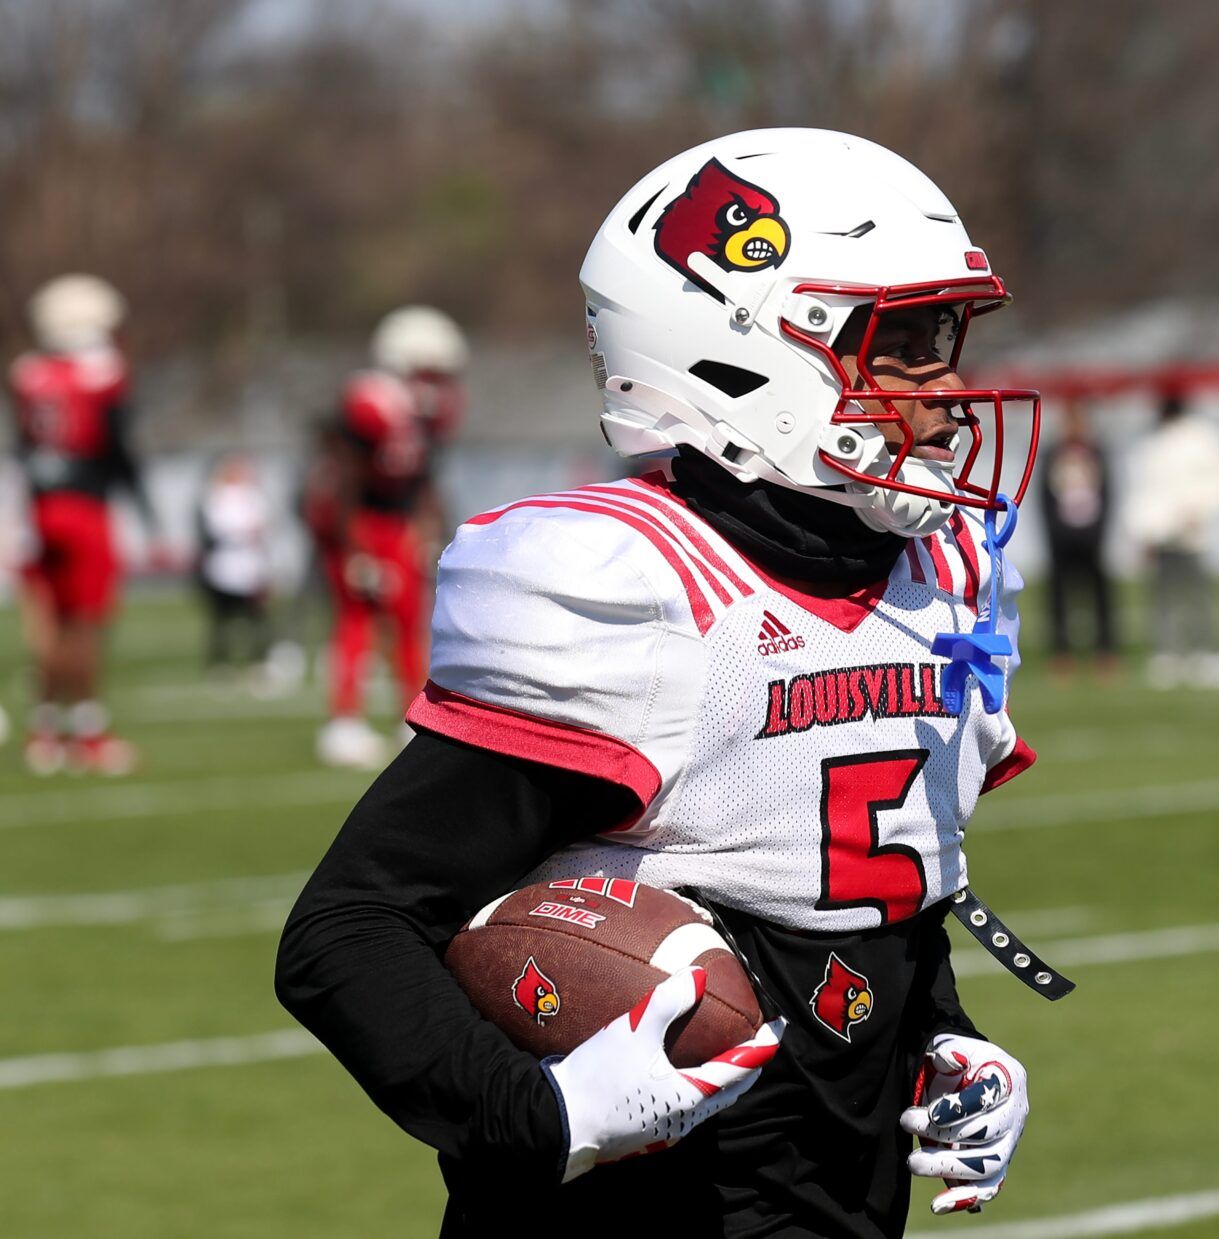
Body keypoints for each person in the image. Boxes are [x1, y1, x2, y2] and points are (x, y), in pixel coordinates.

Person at [277, 129, 1050, 1238]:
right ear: (750, 351)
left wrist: (937, 1035)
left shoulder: (942, 580)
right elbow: (349, 929)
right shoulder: (640, 591)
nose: (947, 392)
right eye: (907, 347)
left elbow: (855, 901)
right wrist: (538, 1116)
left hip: (834, 1198)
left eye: (946, 342)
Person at [6, 274, 154, 774]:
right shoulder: (102, 371)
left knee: (53, 626)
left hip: (41, 509)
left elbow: (25, 448)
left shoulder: (29, 373)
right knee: (86, 624)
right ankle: (89, 732)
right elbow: (118, 448)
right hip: (85, 509)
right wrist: (146, 512)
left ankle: (45, 731)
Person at [315, 305, 467, 768]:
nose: (437, 382)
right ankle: (343, 722)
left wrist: (426, 533)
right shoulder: (370, 402)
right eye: (428, 371)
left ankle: (411, 719)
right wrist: (353, 547)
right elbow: (342, 477)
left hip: (399, 522)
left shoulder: (428, 410)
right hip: (361, 520)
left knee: (409, 624)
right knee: (358, 621)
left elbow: (425, 478)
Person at [1122, 388, 1219, 687]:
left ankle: (1202, 652)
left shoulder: (1201, 438)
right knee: (1164, 596)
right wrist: (1145, 531)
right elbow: (1145, 491)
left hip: (1194, 532)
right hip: (1162, 534)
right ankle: (1169, 654)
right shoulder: (1151, 443)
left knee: (1197, 595)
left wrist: (1201, 510)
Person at [1036, 395, 1118, 678]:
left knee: (1100, 594)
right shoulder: (1054, 453)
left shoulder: (1095, 452)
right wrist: (1052, 531)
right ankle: (1062, 652)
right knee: (1059, 595)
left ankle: (1105, 650)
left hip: (1091, 534)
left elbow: (1108, 493)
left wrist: (1101, 530)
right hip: (1062, 535)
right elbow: (1043, 497)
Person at [195, 451, 275, 673]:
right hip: (226, 563)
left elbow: (263, 526)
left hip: (251, 563)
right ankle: (220, 661)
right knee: (222, 617)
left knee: (256, 616)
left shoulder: (253, 495)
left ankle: (258, 659)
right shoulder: (216, 495)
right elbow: (218, 527)